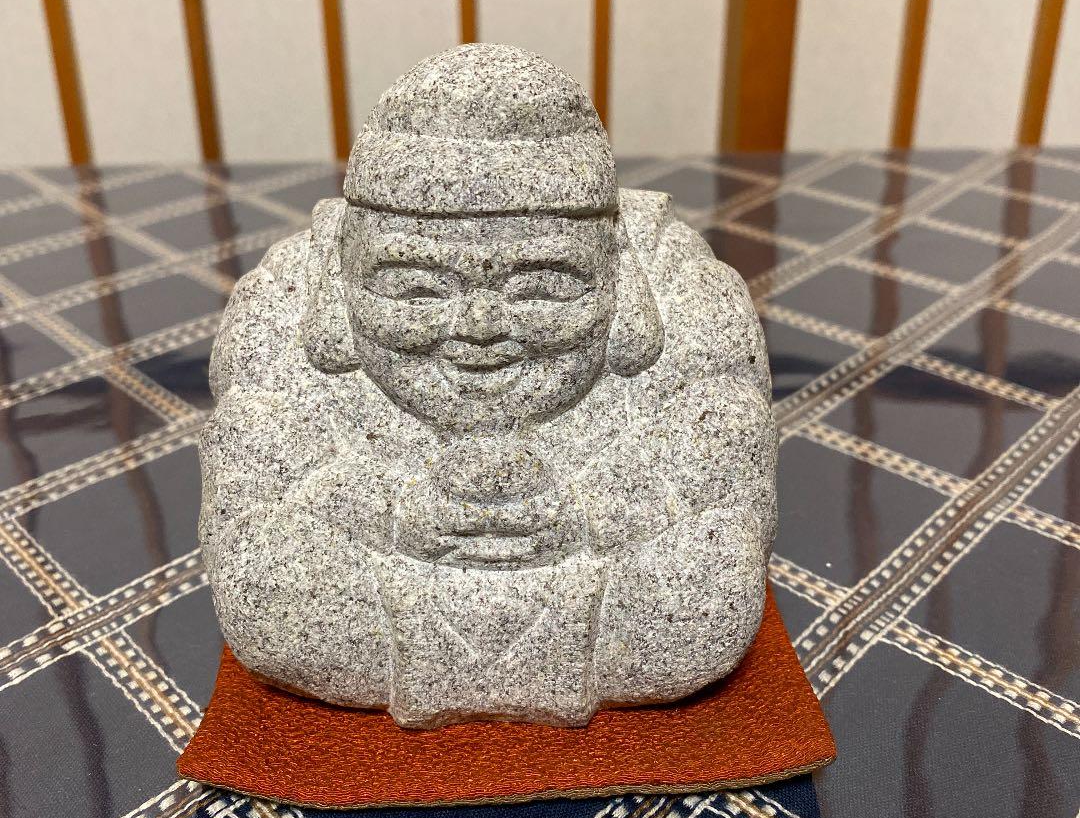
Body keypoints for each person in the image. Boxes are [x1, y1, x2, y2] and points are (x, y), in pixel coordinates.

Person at [200, 44, 777, 727]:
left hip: (633, 587)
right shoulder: (280, 307)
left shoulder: (688, 296)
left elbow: (716, 513)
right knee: (281, 600)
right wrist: (391, 514)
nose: (479, 329)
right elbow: (259, 544)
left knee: (697, 603)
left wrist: (583, 515)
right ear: (339, 277)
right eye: (417, 288)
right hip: (360, 581)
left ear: (620, 279)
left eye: (541, 286)